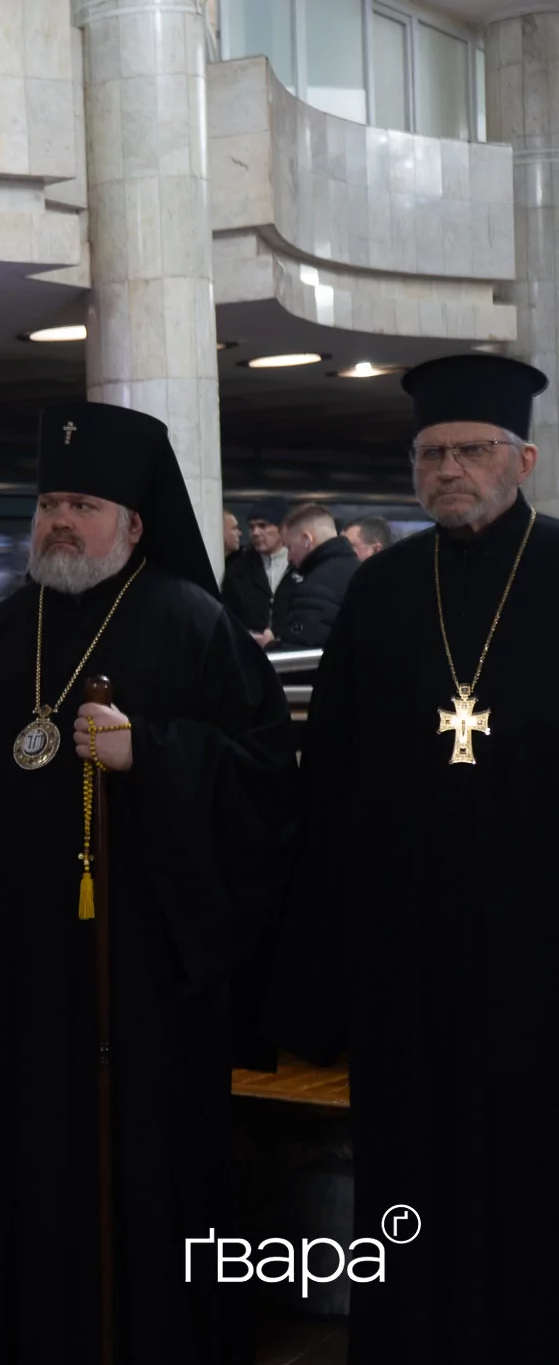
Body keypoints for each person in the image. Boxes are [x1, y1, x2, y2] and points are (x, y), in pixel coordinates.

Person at [0, 403, 292, 1363]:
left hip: (144, 972)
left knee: (143, 1163)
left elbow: (267, 783)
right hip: (12, 968)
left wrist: (154, 752)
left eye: (83, 505)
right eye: (49, 504)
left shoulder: (195, 625)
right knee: (18, 1156)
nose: (60, 522)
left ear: (135, 523)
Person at [283, 354, 559, 1363]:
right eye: (430, 454)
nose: (447, 469)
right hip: (405, 947)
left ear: (520, 459)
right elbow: (330, 778)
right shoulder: (383, 589)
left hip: (539, 944)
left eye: (470, 450)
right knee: (409, 1159)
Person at [273, 503, 360, 649]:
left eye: (289, 547)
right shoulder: (361, 570)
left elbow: (302, 651)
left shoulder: (313, 589)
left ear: (307, 539)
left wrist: (270, 646)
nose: (289, 557)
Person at [221, 499, 288, 644]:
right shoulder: (238, 569)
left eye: (263, 526)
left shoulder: (297, 565)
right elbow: (228, 616)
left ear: (282, 528)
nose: (255, 533)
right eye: (251, 527)